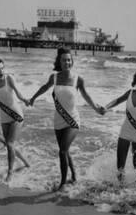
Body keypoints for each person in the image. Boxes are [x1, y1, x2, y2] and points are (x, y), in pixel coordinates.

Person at [29, 47, 104, 191]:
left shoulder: (78, 79)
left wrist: (96, 108)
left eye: (69, 60)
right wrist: (33, 98)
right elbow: (45, 87)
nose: (67, 62)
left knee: (62, 151)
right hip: (58, 120)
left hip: (72, 120)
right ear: (59, 61)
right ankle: (74, 176)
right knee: (65, 150)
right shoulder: (54, 77)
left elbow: (86, 96)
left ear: (72, 61)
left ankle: (62, 183)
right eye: (64, 60)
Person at [0, 58, 30, 181]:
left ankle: (10, 173)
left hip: (16, 114)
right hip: (4, 116)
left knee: (10, 143)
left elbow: (18, 94)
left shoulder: (9, 78)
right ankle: (26, 162)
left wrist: (25, 100)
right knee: (8, 145)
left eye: (2, 68)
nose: (1, 71)